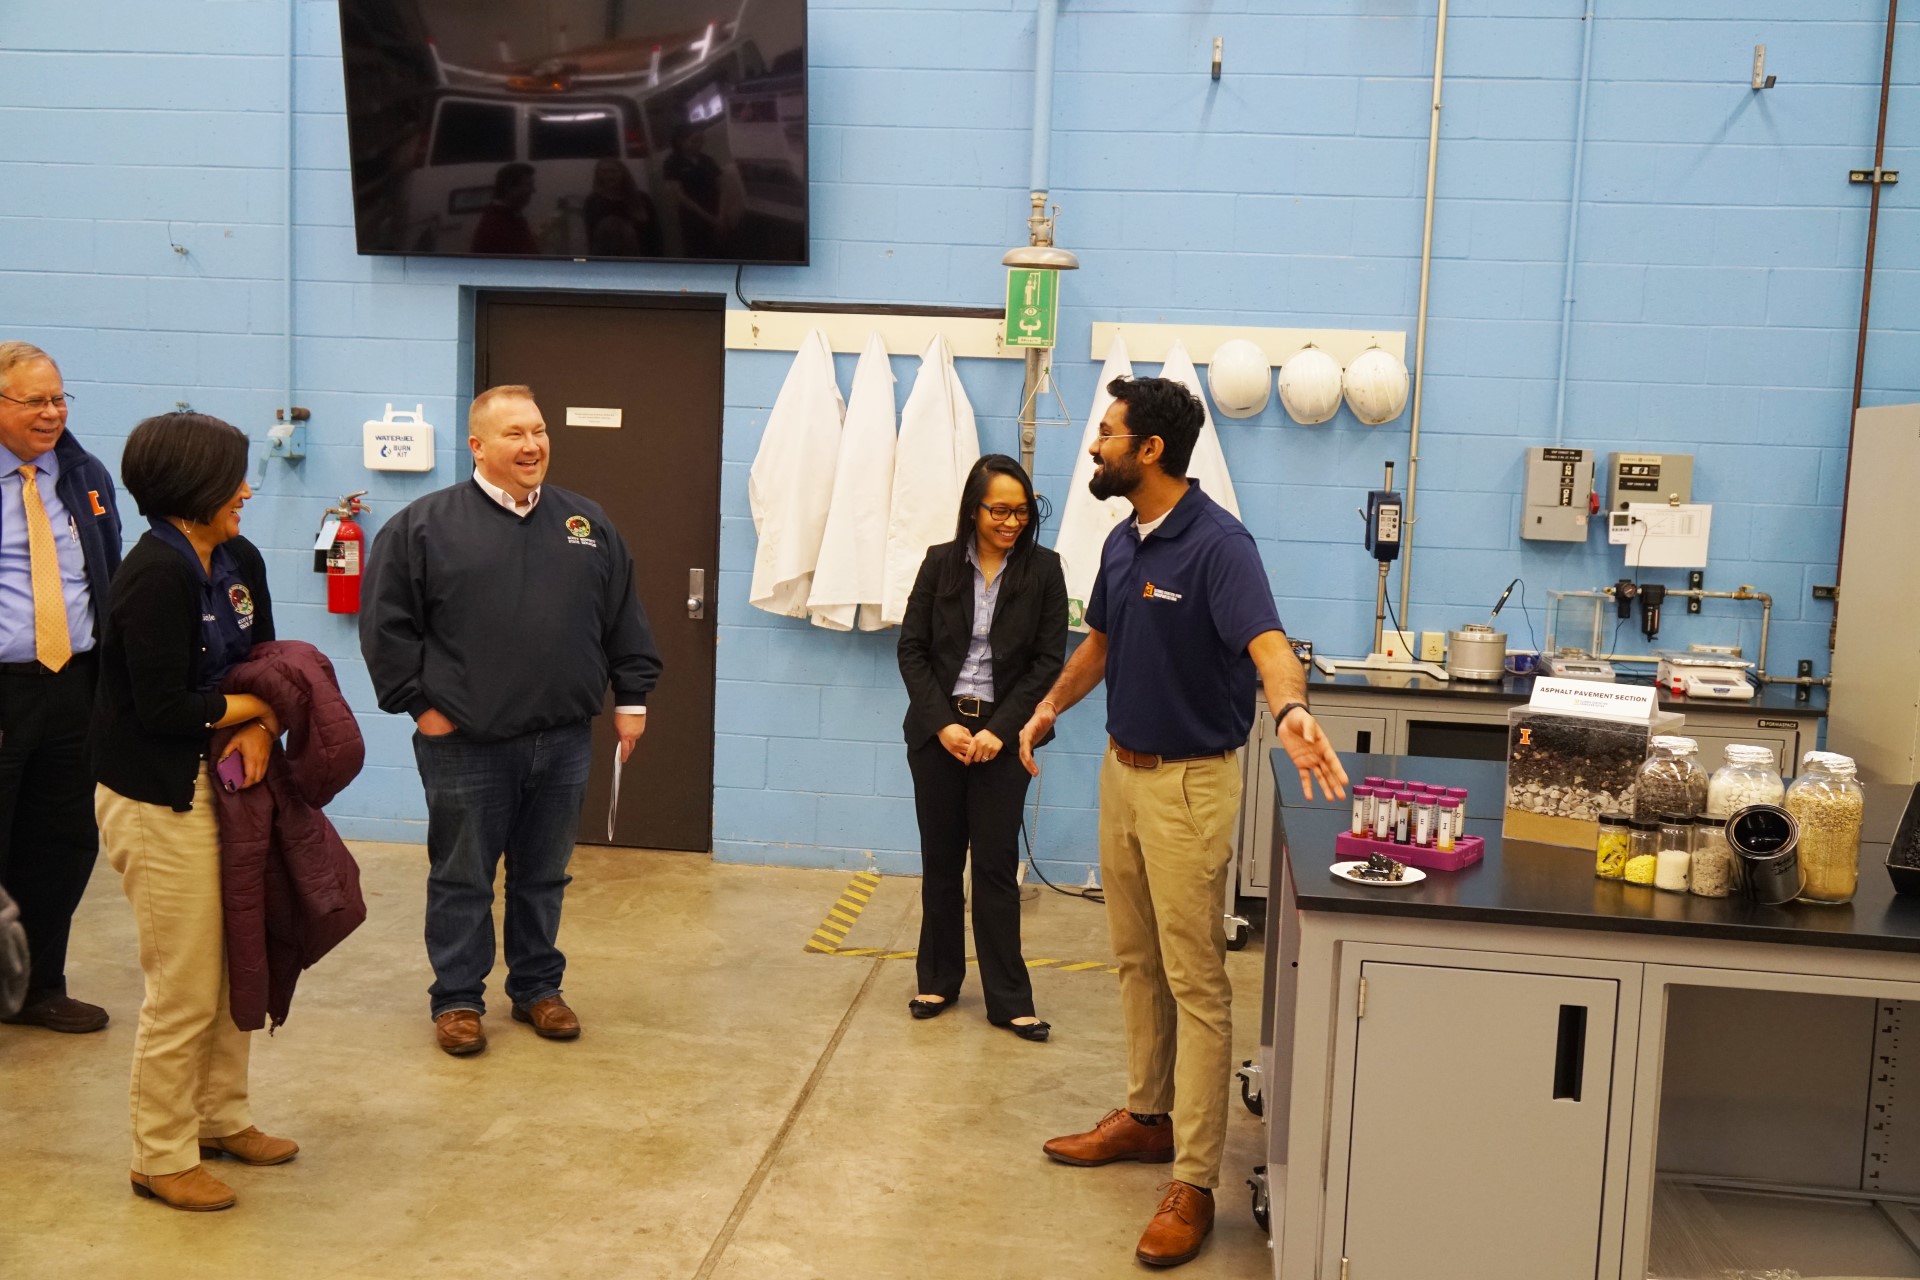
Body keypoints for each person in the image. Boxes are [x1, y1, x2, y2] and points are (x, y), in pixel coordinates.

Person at [1017, 377, 1348, 1269]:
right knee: (1134, 961)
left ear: (1150, 450)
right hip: (1121, 775)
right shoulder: (1123, 542)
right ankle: (1148, 1115)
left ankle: (1195, 1179)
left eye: (1107, 433)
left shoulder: (1220, 546)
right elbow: (1102, 643)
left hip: (1191, 788)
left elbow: (1268, 646)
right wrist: (1050, 707)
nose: (1094, 445)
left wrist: (1289, 711)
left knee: (1196, 979)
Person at [360, 384, 661, 1057]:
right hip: (466, 745)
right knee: (462, 875)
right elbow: (385, 628)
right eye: (513, 435)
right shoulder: (423, 527)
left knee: (543, 875)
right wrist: (423, 709)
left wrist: (631, 700)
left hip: (562, 742)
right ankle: (459, 1000)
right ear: (477, 446)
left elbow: (623, 616)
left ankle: (536, 990)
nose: (531, 446)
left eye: (539, 431)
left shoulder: (585, 523)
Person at [91, 411, 294, 1212]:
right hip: (159, 795)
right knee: (183, 981)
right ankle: (160, 1153)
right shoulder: (152, 577)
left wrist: (266, 716)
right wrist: (260, 704)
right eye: (232, 478)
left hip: (230, 781)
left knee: (235, 955)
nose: (246, 490)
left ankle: (220, 1118)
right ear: (190, 488)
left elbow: (267, 656)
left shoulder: (237, 557)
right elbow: (164, 707)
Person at [897, 455, 1066, 1041]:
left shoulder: (1045, 571)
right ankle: (938, 980)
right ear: (974, 509)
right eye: (1000, 510)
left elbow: (1048, 662)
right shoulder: (940, 564)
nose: (1011, 522)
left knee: (994, 868)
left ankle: (1010, 999)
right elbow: (912, 651)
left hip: (1004, 735)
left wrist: (1003, 728)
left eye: (1022, 512)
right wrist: (943, 724)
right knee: (940, 864)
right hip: (939, 735)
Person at [0, 341, 122, 1035]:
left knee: (62, 841)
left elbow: (104, 572)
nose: (52, 413)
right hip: (2, 686)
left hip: (74, 685)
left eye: (59, 398)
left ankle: (36, 988)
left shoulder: (82, 474)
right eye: (34, 401)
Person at [583, 158, 663, 258]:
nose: (609, 176)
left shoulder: (642, 199)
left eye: (613, 171)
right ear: (598, 175)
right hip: (609, 263)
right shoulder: (592, 202)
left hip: (643, 259)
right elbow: (592, 238)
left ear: (623, 174)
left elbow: (655, 235)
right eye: (604, 172)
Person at [470, 162, 539, 256]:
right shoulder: (495, 226)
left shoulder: (510, 214)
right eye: (528, 185)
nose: (533, 190)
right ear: (509, 187)